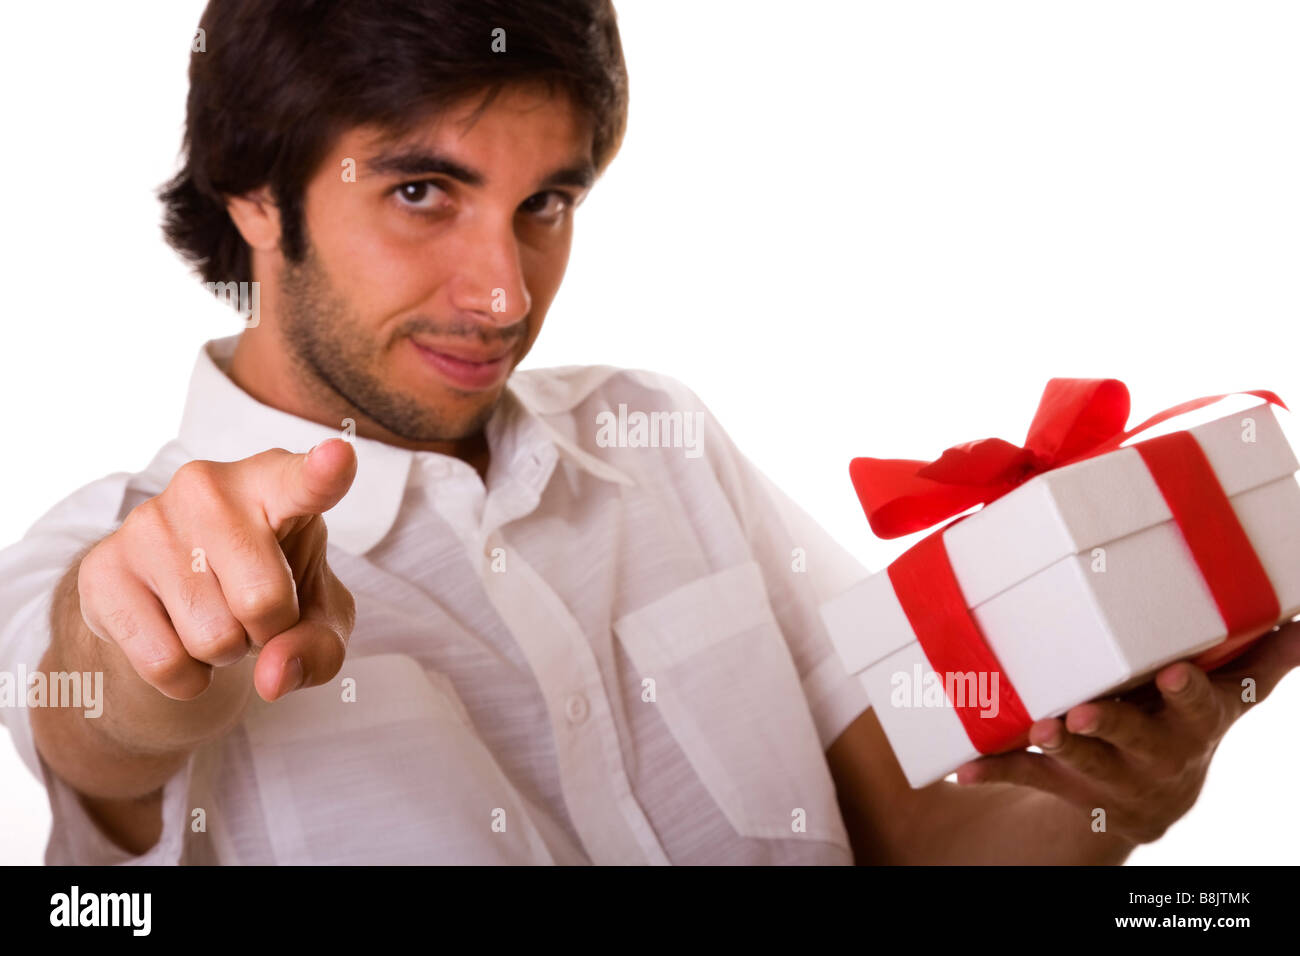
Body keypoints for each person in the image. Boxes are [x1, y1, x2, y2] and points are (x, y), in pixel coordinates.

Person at [3, 0, 1296, 865]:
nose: (505, 294)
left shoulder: (656, 432)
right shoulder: (97, 554)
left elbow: (904, 824)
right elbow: (97, 719)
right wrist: (157, 646)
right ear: (256, 198)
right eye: (421, 193)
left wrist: (1119, 811)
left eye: (546, 203)